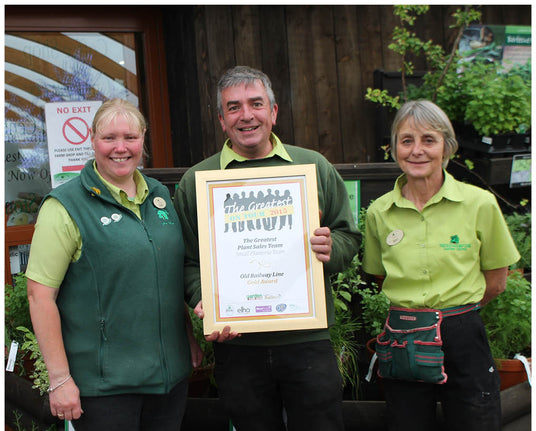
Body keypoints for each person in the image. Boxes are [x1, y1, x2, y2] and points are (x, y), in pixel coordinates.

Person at [174, 65, 360, 430]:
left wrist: (330, 247)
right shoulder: (197, 181)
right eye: (233, 107)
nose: (246, 115)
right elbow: (187, 260)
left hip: (307, 341)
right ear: (221, 120)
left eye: (256, 104)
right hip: (237, 346)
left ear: (273, 112)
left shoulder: (313, 166)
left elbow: (348, 237)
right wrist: (205, 298)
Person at [25, 99, 202, 430]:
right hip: (105, 387)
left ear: (143, 138)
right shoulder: (65, 206)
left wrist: (187, 335)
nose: (120, 148)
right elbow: (39, 296)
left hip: (168, 380)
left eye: (130, 137)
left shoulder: (160, 196)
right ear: (92, 138)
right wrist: (59, 379)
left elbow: (166, 274)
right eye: (109, 138)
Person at [362, 100, 520, 431]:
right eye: (406, 140)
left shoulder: (479, 204)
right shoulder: (379, 212)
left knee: (476, 420)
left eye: (429, 140)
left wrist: (452, 317)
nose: (417, 150)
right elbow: (378, 274)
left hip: (463, 332)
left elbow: (497, 281)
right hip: (403, 335)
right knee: (406, 423)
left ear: (447, 147)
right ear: (394, 148)